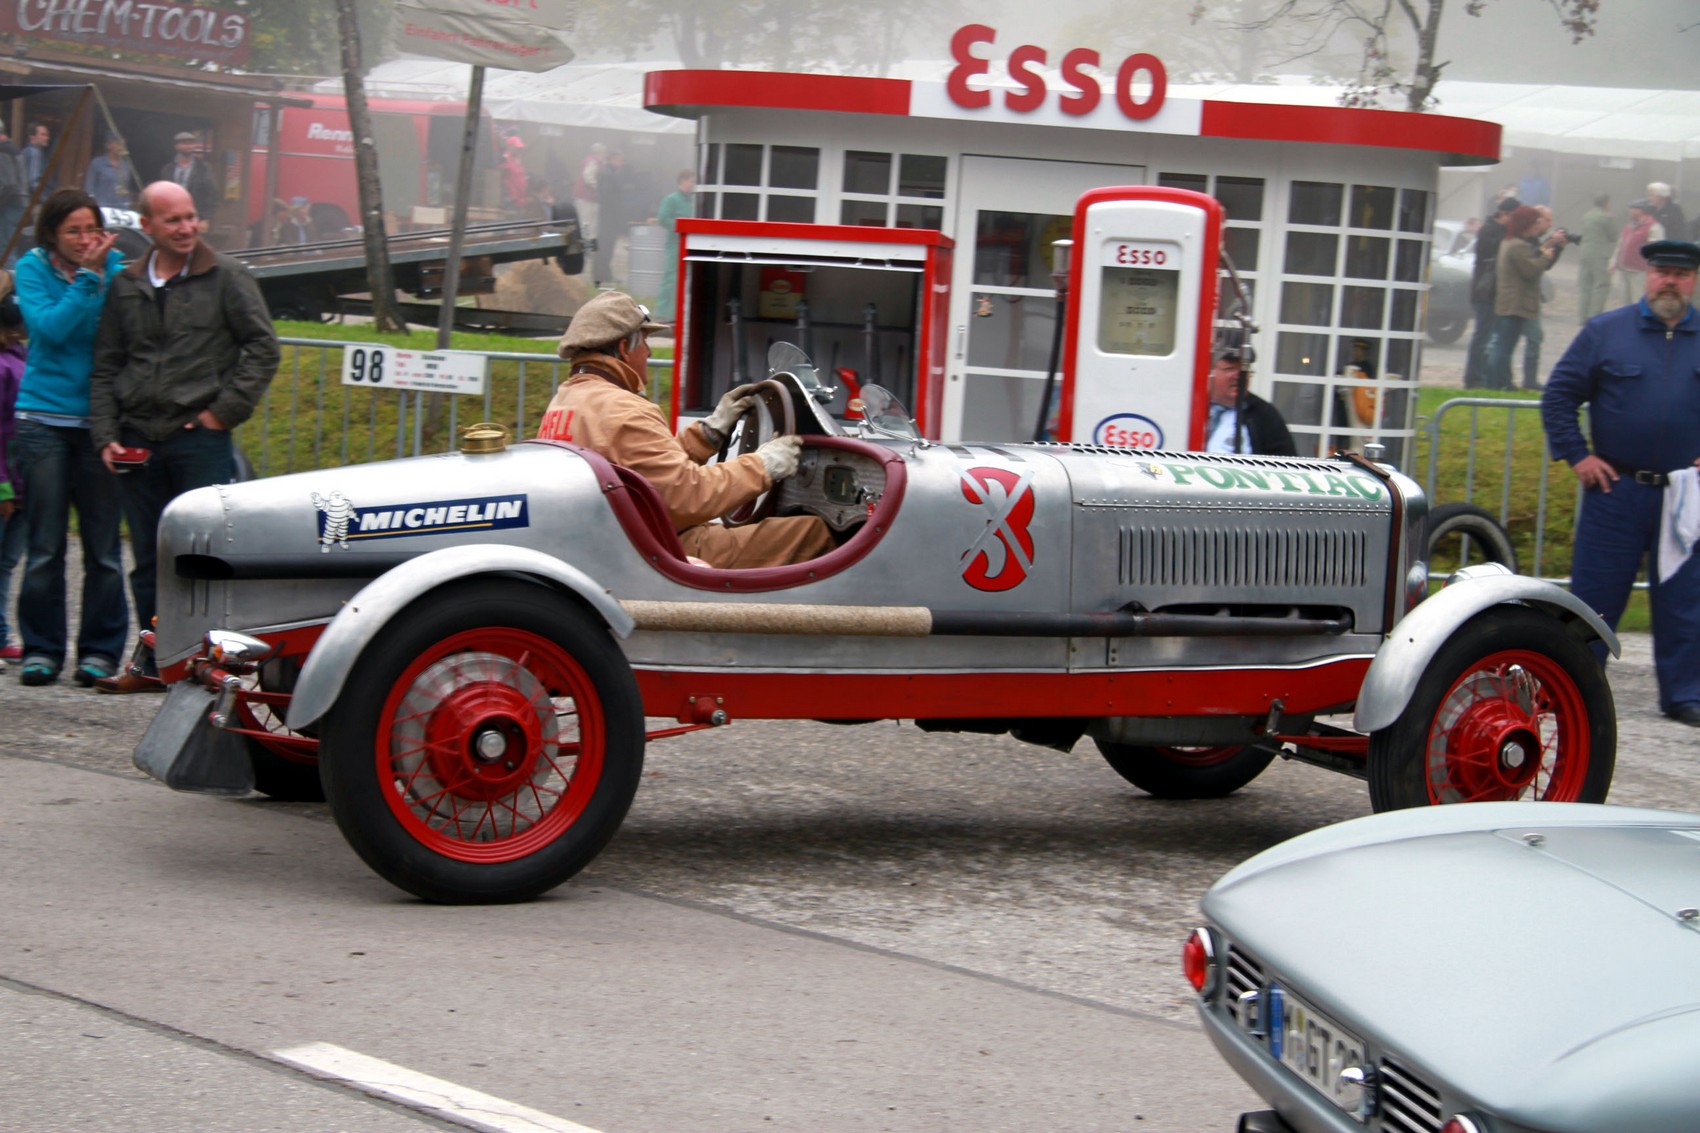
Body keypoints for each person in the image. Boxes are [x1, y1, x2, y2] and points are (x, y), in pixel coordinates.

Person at [88, 181, 279, 692]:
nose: (186, 228)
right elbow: (106, 363)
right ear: (146, 226)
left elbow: (263, 347)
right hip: (137, 440)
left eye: (191, 216)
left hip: (199, 441)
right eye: (172, 220)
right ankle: (155, 666)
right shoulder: (126, 284)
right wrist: (105, 434)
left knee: (200, 561)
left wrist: (222, 413)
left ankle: (205, 669)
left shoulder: (227, 276)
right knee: (148, 559)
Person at [536, 291, 834, 569]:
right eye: (645, 342)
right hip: (658, 549)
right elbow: (688, 498)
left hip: (616, 541)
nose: (649, 352)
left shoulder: (566, 399)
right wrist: (763, 465)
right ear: (625, 349)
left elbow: (648, 473)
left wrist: (708, 433)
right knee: (814, 532)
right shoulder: (625, 410)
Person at [1541, 239, 1700, 727]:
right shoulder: (1605, 332)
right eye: (1661, 272)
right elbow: (1559, 395)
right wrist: (1578, 455)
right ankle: (1573, 687)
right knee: (1595, 599)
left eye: (1680, 274)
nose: (1669, 281)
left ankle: (1686, 695)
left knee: (1687, 600)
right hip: (1616, 491)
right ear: (1646, 275)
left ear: (1693, 281)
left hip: (1685, 495)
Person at [10, 189, 129, 688]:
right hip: (43, 419)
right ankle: (41, 649)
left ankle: (100, 651)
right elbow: (50, 330)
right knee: (45, 546)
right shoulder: (32, 268)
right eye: (73, 231)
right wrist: (86, 280)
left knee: (104, 548)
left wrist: (102, 274)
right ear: (52, 235)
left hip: (101, 423)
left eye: (92, 230)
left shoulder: (119, 269)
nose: (85, 240)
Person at [1487, 205, 1563, 391]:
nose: (1537, 226)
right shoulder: (1518, 245)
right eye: (1535, 223)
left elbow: (1529, 260)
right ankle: (1497, 383)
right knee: (1504, 346)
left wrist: (1546, 248)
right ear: (1525, 224)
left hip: (1508, 302)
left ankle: (1503, 382)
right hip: (1515, 303)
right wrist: (1546, 257)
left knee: (1504, 345)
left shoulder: (1510, 242)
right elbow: (1530, 270)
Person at [1464, 196, 1519, 388]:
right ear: (1503, 214)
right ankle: (1474, 378)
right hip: (1485, 292)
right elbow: (1493, 251)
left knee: (1490, 338)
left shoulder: (1498, 230)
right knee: (1482, 337)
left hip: (1493, 292)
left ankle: (1486, 377)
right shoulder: (1488, 230)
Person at [0, 274, 25, 668]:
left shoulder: (21, 357)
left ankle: (1, 632)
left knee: (6, 563)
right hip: (6, 482)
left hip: (24, 481)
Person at [1203, 349, 1295, 456]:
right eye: (1229, 368)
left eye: (1244, 369)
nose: (1238, 376)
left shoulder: (1263, 414)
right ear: (1210, 372)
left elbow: (1284, 459)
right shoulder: (1191, 407)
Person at [653, 169, 696, 324]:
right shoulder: (671, 199)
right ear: (682, 181)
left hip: (691, 243)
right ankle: (662, 313)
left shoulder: (694, 200)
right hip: (675, 244)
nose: (693, 185)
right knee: (671, 278)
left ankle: (678, 314)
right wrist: (680, 227)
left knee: (686, 279)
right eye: (691, 181)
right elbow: (663, 218)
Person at [1609, 200, 1663, 307]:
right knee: (1624, 302)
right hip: (1624, 269)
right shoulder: (1629, 226)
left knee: (1638, 301)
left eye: (1633, 209)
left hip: (1640, 271)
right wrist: (1613, 261)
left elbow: (1657, 250)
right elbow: (1620, 244)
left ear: (1642, 210)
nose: (1630, 211)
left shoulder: (1654, 227)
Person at [158, 131, 218, 221]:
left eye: (191, 143)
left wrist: (205, 219)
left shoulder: (203, 168)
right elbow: (162, 194)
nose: (188, 146)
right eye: (184, 143)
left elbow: (212, 195)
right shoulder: (168, 169)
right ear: (177, 146)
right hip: (172, 215)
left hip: (194, 216)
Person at [593, 150, 632, 286]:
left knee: (608, 247)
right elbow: (609, 198)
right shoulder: (607, 175)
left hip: (610, 216)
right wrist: (617, 213)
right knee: (604, 246)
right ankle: (600, 275)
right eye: (620, 160)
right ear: (612, 159)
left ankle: (605, 274)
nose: (622, 163)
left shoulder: (610, 173)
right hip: (608, 216)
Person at [1576, 193, 1615, 324]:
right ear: (1606, 203)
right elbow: (1613, 236)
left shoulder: (1586, 216)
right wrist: (1611, 218)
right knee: (1602, 285)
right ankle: (1594, 316)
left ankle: (1582, 316)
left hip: (1584, 252)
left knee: (1585, 285)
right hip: (1599, 253)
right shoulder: (1605, 217)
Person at [572, 143, 605, 279]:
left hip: (586, 198)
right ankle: (587, 251)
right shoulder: (593, 162)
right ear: (599, 152)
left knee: (588, 225)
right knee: (587, 225)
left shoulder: (590, 160)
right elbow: (588, 177)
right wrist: (598, 188)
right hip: (587, 198)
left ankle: (588, 250)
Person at [83, 138, 136, 210]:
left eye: (123, 144)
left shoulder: (126, 167)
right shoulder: (97, 163)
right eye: (118, 143)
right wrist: (93, 208)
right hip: (101, 208)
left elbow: (125, 190)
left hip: (121, 209)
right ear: (108, 145)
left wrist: (126, 207)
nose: (121, 147)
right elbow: (89, 188)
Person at [0, 125, 26, 261]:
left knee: (6, 248)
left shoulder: (3, 150)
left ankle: (8, 273)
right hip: (18, 203)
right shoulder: (13, 148)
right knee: (11, 247)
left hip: (10, 205)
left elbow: (8, 184)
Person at [21, 123, 53, 199]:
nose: (47, 138)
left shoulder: (26, 151)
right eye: (43, 135)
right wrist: (45, 199)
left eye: (47, 135)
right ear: (32, 136)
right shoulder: (34, 153)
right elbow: (33, 183)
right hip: (33, 199)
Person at [500, 135, 529, 214]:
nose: (519, 150)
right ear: (510, 146)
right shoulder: (504, 159)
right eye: (517, 147)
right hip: (511, 201)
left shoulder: (517, 159)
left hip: (519, 200)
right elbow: (499, 177)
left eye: (520, 148)